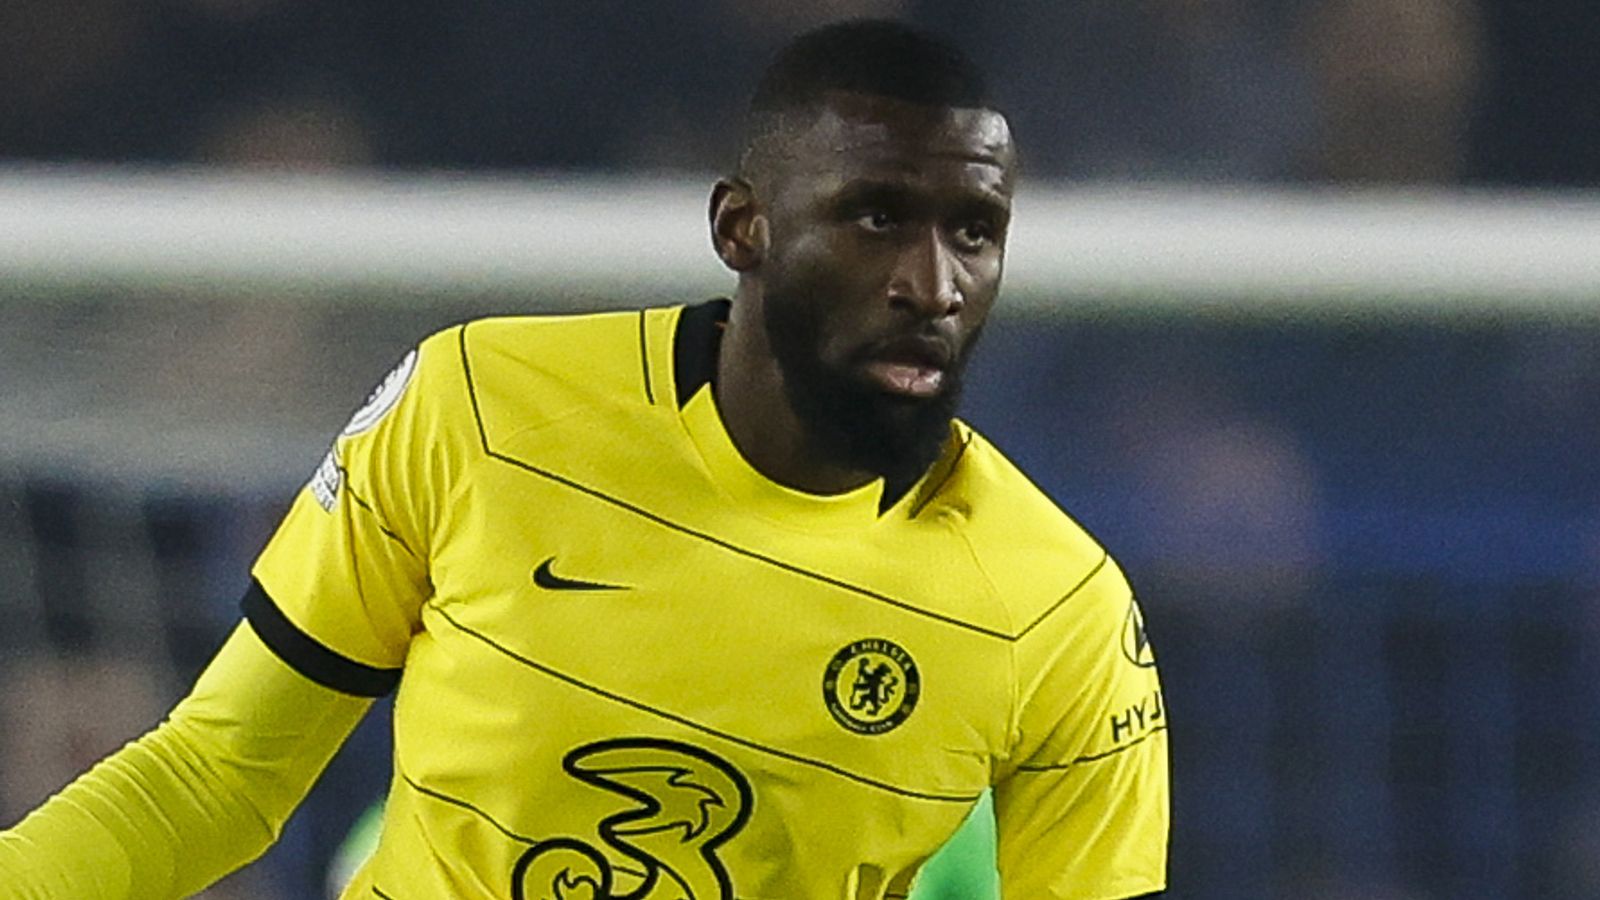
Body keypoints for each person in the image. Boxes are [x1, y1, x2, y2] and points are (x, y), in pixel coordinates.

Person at [0, 19, 1168, 899]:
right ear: (743, 227)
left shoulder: (1055, 609)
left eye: (974, 233)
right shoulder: (482, 410)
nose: (932, 284)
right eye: (874, 219)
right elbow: (216, 776)